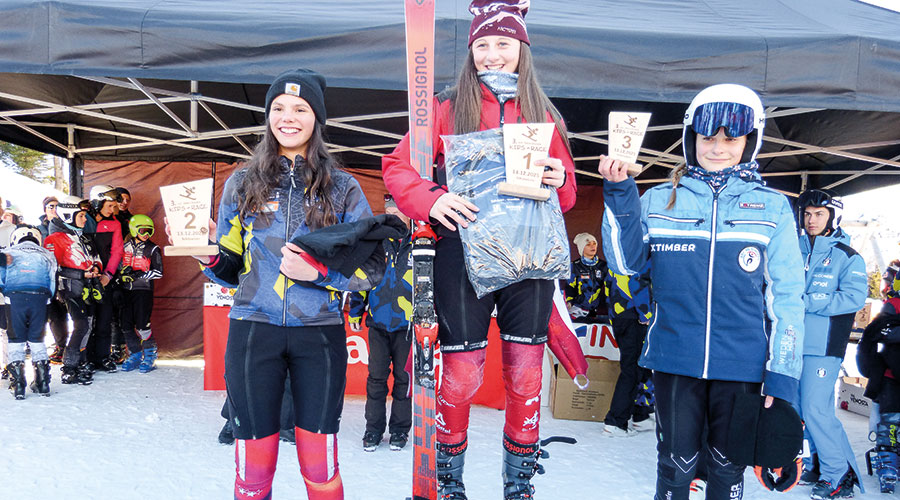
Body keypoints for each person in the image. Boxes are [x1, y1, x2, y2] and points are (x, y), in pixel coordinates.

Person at [382, 2, 577, 497]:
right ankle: (448, 481)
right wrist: (433, 197)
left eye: (504, 45)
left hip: (527, 259)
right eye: (483, 45)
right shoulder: (448, 106)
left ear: (522, 50)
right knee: (463, 374)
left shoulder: (544, 112)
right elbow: (398, 166)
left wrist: (559, 178)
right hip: (462, 256)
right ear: (470, 52)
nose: (493, 55)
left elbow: (569, 192)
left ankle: (520, 483)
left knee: (526, 376)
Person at [598, 83, 805, 500]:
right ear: (692, 139)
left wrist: (783, 375)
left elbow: (788, 297)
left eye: (731, 139)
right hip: (675, 358)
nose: (718, 147)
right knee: (675, 467)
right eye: (708, 137)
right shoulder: (659, 198)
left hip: (743, 365)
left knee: (728, 470)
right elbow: (626, 264)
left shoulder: (772, 207)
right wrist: (620, 195)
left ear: (750, 141)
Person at [182, 68, 380, 500]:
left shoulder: (342, 187)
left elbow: (373, 268)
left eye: (300, 109)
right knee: (253, 471)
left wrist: (322, 275)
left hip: (320, 336)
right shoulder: (242, 181)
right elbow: (230, 265)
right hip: (254, 329)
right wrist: (208, 254)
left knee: (319, 465)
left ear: (317, 118)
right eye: (278, 109)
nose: (287, 118)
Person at [795, 189, 867, 499]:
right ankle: (821, 461)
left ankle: (839, 474)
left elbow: (853, 297)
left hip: (824, 345)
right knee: (800, 409)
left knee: (815, 409)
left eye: (819, 214)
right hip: (791, 342)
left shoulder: (847, 255)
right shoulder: (791, 248)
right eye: (807, 214)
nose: (811, 220)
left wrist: (808, 301)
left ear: (831, 217)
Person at [348, 194, 413, 452]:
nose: (393, 214)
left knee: (404, 380)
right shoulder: (375, 242)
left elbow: (433, 283)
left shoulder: (419, 242)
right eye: (389, 209)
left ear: (409, 212)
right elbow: (360, 277)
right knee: (376, 379)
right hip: (378, 323)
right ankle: (373, 430)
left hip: (408, 326)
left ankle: (399, 431)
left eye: (399, 209)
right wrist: (355, 311)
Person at [44, 196, 101, 385]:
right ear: (69, 215)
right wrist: (80, 274)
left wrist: (96, 268)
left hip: (90, 288)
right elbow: (53, 267)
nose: (85, 220)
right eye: (82, 215)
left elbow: (96, 258)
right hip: (70, 289)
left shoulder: (83, 237)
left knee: (88, 325)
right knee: (81, 325)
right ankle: (68, 367)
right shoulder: (54, 239)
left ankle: (81, 362)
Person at [0, 225, 57, 399]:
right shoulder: (47, 255)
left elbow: (1, 279)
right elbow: (53, 281)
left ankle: (17, 383)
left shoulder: (8, 252)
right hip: (40, 299)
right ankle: (42, 382)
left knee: (16, 338)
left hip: (14, 299)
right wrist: (48, 299)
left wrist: (6, 292)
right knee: (37, 338)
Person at [601, 262, 652, 437]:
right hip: (633, 316)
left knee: (640, 367)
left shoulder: (618, 255)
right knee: (632, 369)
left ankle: (640, 415)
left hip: (620, 315)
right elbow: (637, 282)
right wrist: (646, 312)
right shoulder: (638, 253)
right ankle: (615, 422)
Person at [858, 282, 900, 494]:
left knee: (890, 421)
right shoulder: (894, 305)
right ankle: (888, 464)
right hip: (890, 377)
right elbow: (872, 336)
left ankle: (889, 462)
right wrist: (872, 369)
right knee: (890, 422)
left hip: (889, 375)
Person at [117, 214, 163, 373]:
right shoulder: (124, 247)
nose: (146, 235)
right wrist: (122, 274)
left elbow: (158, 272)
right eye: (143, 230)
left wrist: (139, 274)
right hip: (125, 291)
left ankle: (150, 355)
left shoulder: (153, 248)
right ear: (134, 230)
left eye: (150, 231)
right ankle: (135, 354)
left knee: (143, 324)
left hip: (143, 291)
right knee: (125, 324)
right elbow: (117, 266)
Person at [85, 184, 123, 373]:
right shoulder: (83, 221)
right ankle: (85, 358)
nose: (112, 209)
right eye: (109, 206)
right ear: (97, 203)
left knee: (104, 319)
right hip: (85, 277)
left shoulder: (115, 223)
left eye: (114, 206)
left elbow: (117, 251)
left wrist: (108, 274)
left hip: (105, 278)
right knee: (86, 320)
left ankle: (102, 357)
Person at [564, 232, 609, 321]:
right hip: (577, 310)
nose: (593, 246)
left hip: (598, 311)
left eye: (594, 243)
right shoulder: (574, 266)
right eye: (588, 244)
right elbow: (569, 287)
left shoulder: (604, 266)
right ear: (581, 248)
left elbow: (610, 288)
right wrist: (569, 303)